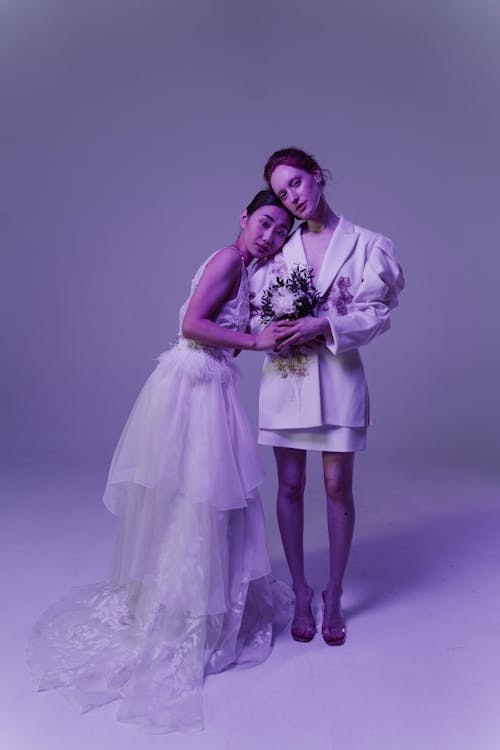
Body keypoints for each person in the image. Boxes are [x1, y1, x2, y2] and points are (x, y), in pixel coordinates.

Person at [27, 190, 294, 734]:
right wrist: (255, 338)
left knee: (204, 499)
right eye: (265, 223)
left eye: (280, 232)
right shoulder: (227, 258)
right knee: (197, 497)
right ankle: (181, 608)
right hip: (190, 387)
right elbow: (192, 325)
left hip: (210, 384)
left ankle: (197, 599)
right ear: (244, 218)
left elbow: (223, 332)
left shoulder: (248, 269)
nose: (270, 236)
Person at [249, 148, 404, 646]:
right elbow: (251, 308)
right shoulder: (277, 244)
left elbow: (377, 313)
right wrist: (275, 328)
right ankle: (300, 589)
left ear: (317, 176)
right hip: (287, 377)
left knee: (338, 488)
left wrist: (327, 324)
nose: (292, 198)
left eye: (296, 183)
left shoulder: (367, 244)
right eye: (282, 192)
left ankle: (334, 592)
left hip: (338, 378)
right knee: (289, 487)